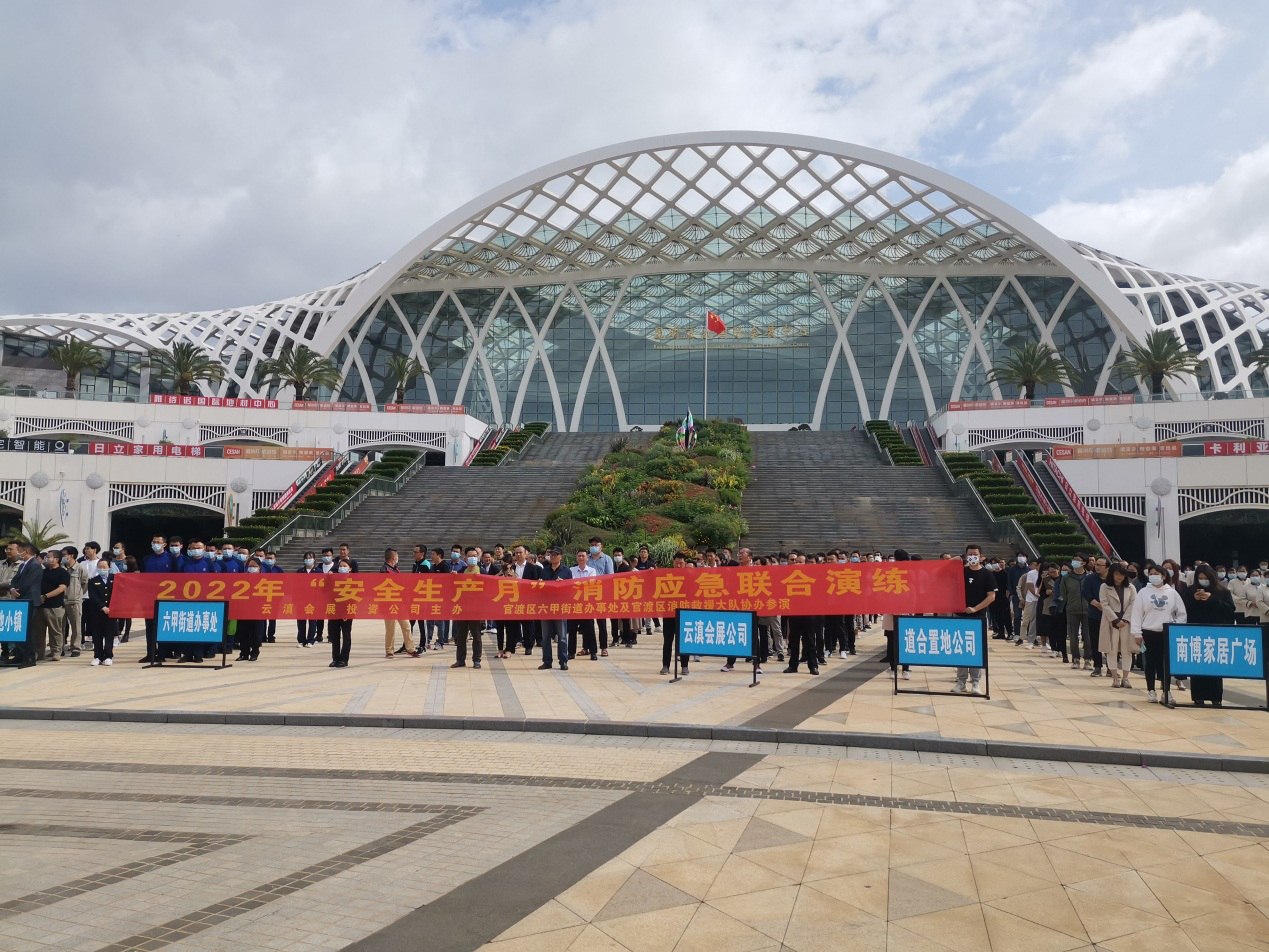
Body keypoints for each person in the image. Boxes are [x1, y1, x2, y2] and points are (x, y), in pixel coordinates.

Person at [1130, 565, 1187, 705]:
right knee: (1149, 663)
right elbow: (1137, 614)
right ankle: (1151, 691)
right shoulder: (1143, 592)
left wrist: (1176, 628)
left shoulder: (1171, 592)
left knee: (1165, 664)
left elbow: (1181, 613)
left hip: (1166, 632)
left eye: (1157, 573)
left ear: (1163, 576)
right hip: (1148, 632)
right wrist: (1137, 633)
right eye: (1151, 573)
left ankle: (1166, 691)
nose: (1153, 575)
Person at [1183, 563, 1236, 708]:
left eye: (1205, 577)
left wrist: (1211, 599)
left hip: (1215, 633)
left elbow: (1230, 609)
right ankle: (1198, 696)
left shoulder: (1222, 591)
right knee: (1198, 666)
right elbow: (1182, 609)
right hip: (1196, 633)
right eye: (1200, 578)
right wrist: (1194, 599)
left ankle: (1216, 697)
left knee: (1214, 666)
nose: (1203, 580)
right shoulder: (1189, 591)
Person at [953, 543, 995, 695]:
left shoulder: (986, 574)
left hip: (977, 617)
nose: (972, 557)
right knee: (960, 649)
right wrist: (958, 559)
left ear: (981, 557)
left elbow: (991, 597)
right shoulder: (961, 572)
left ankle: (976, 682)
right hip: (960, 616)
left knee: (975, 650)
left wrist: (975, 609)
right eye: (969, 554)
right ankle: (961, 682)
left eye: (975, 554)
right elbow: (945, 569)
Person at [139, 534, 179, 663]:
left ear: (164, 544)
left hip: (166, 598)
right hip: (149, 598)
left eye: (158, 542)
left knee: (163, 626)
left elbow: (176, 578)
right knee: (149, 627)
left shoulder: (172, 559)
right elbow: (142, 578)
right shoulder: (146, 559)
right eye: (153, 541)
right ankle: (150, 653)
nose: (155, 544)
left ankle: (162, 654)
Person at [1099, 563, 1138, 688]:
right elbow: (1104, 604)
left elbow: (1133, 603)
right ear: (1112, 574)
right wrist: (1115, 620)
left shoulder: (1131, 587)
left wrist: (1125, 620)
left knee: (1127, 650)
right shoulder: (1105, 586)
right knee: (1112, 649)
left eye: (1121, 574)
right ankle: (1115, 677)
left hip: (1126, 622)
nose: (1119, 577)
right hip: (1111, 622)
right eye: (1116, 574)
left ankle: (1126, 678)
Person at [381, 548, 420, 658]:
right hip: (389, 604)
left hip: (399, 604)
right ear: (394, 557)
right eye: (397, 556)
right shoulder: (384, 570)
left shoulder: (395, 570)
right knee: (390, 628)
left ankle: (410, 649)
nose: (398, 558)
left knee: (406, 626)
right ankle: (389, 650)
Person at [34, 549, 71, 662]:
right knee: (38, 631)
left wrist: (45, 596)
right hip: (40, 606)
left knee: (55, 630)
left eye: (48, 557)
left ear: (56, 559)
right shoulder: (42, 572)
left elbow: (61, 588)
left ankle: (56, 652)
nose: (46, 558)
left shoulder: (63, 573)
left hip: (55, 606)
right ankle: (38, 652)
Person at [538, 547, 572, 671]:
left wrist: (562, 584)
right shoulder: (544, 570)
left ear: (561, 557)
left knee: (562, 636)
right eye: (551, 554)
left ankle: (563, 661)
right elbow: (539, 589)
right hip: (546, 607)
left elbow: (570, 589)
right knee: (545, 637)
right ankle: (547, 661)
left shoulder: (566, 571)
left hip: (560, 607)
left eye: (555, 554)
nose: (552, 556)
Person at [451, 547, 484, 669]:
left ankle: (477, 660)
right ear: (465, 558)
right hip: (462, 608)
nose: (473, 558)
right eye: (470, 556)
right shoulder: (460, 572)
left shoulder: (483, 572)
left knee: (476, 636)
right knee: (461, 636)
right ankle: (460, 660)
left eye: (475, 556)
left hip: (476, 609)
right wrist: (452, 578)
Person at [883, 548, 912, 680]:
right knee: (895, 641)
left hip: (904, 611)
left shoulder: (909, 573)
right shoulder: (889, 572)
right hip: (892, 612)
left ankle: (902, 669)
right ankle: (897, 669)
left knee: (902, 641)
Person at [659, 551, 689, 676]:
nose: (678, 566)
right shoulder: (667, 575)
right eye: (676, 563)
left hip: (684, 614)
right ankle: (665, 665)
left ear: (685, 564)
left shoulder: (690, 576)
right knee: (668, 641)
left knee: (684, 641)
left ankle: (684, 666)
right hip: (669, 613)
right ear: (673, 563)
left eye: (681, 563)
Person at [1060, 557, 1092, 671]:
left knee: (1088, 636)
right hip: (1072, 609)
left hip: (1088, 610)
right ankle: (1076, 659)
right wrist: (1070, 601)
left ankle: (1088, 659)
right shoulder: (1067, 577)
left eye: (1078, 560)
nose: (1075, 562)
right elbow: (1063, 593)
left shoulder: (1089, 577)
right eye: (1074, 559)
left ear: (1083, 563)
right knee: (1073, 636)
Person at [234, 557, 267, 662]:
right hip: (243, 609)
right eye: (250, 566)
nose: (252, 568)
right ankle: (244, 653)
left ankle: (255, 652)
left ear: (259, 568)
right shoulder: (242, 579)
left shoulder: (264, 579)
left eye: (254, 566)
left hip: (257, 610)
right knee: (243, 632)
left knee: (256, 632)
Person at [86, 559, 115, 666]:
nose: (102, 569)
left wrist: (112, 607)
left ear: (109, 567)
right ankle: (98, 656)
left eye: (104, 567)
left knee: (109, 634)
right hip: (97, 612)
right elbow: (93, 596)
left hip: (111, 611)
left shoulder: (115, 579)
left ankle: (108, 655)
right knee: (97, 634)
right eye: (100, 567)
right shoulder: (93, 581)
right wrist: (102, 607)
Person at [327, 558, 355, 668]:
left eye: (344, 566)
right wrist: (328, 578)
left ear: (350, 569)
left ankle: (344, 659)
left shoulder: (353, 581)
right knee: (335, 636)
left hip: (347, 611)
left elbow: (354, 598)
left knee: (346, 636)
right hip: (334, 610)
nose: (342, 568)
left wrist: (347, 612)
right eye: (340, 566)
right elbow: (325, 591)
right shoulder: (334, 579)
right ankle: (335, 658)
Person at [295, 551, 324, 646]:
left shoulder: (319, 572)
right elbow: (294, 586)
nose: (308, 560)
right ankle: (301, 640)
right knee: (301, 621)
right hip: (301, 599)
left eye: (310, 558)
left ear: (314, 560)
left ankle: (310, 640)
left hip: (313, 600)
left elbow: (321, 586)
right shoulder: (300, 571)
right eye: (307, 558)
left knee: (312, 621)